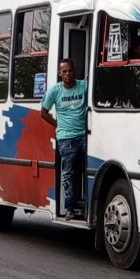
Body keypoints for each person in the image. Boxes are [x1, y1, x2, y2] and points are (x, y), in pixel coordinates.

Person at [41, 59, 88, 220]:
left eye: (70, 71)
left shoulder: (84, 86)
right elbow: (43, 112)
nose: (68, 74)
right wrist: (57, 124)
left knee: (87, 171)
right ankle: (70, 208)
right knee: (68, 175)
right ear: (60, 73)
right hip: (66, 139)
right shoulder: (54, 91)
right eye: (64, 71)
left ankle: (87, 205)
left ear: (74, 71)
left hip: (85, 136)